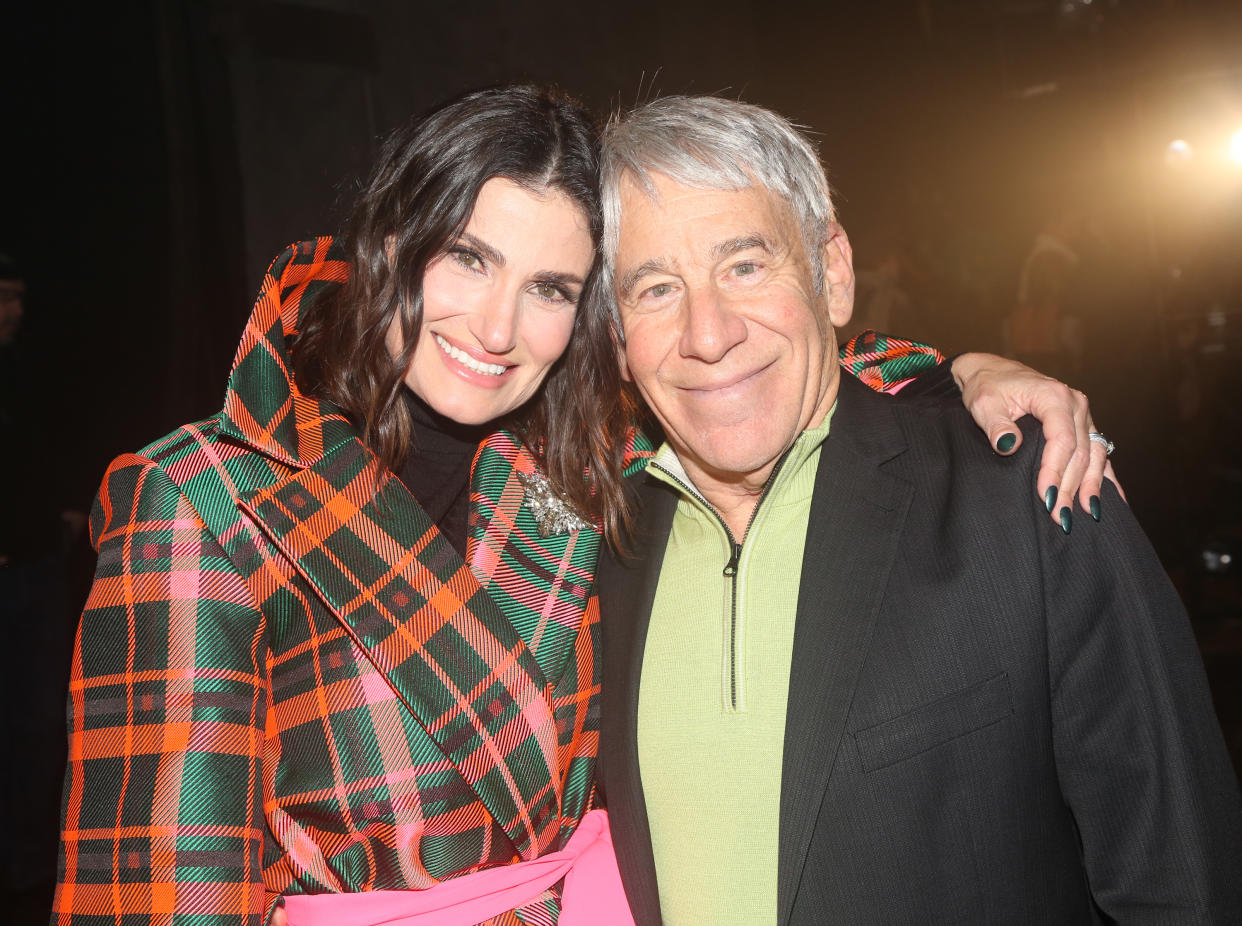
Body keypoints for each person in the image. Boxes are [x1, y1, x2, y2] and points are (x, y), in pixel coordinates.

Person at [54, 86, 1112, 926]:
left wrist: (962, 370)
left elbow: (748, 365)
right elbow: (157, 890)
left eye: (554, 288)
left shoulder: (574, 460)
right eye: (467, 258)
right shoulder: (199, 498)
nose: (497, 326)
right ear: (386, 246)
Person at [594, 95, 1242, 925]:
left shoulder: (1032, 493)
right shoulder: (594, 552)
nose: (709, 333)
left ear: (831, 273)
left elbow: (1184, 883)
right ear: (615, 337)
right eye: (654, 289)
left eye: (745, 266)